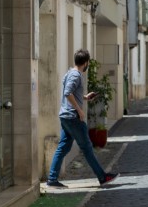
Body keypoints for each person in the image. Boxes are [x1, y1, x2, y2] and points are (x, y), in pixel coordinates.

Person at [47, 49, 119, 188]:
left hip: (65, 116)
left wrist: (85, 97)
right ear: (86, 63)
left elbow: (69, 92)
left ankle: (52, 179)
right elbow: (68, 93)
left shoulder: (69, 73)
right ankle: (102, 177)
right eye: (88, 63)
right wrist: (79, 110)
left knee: (63, 147)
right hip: (73, 117)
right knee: (86, 147)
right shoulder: (76, 75)